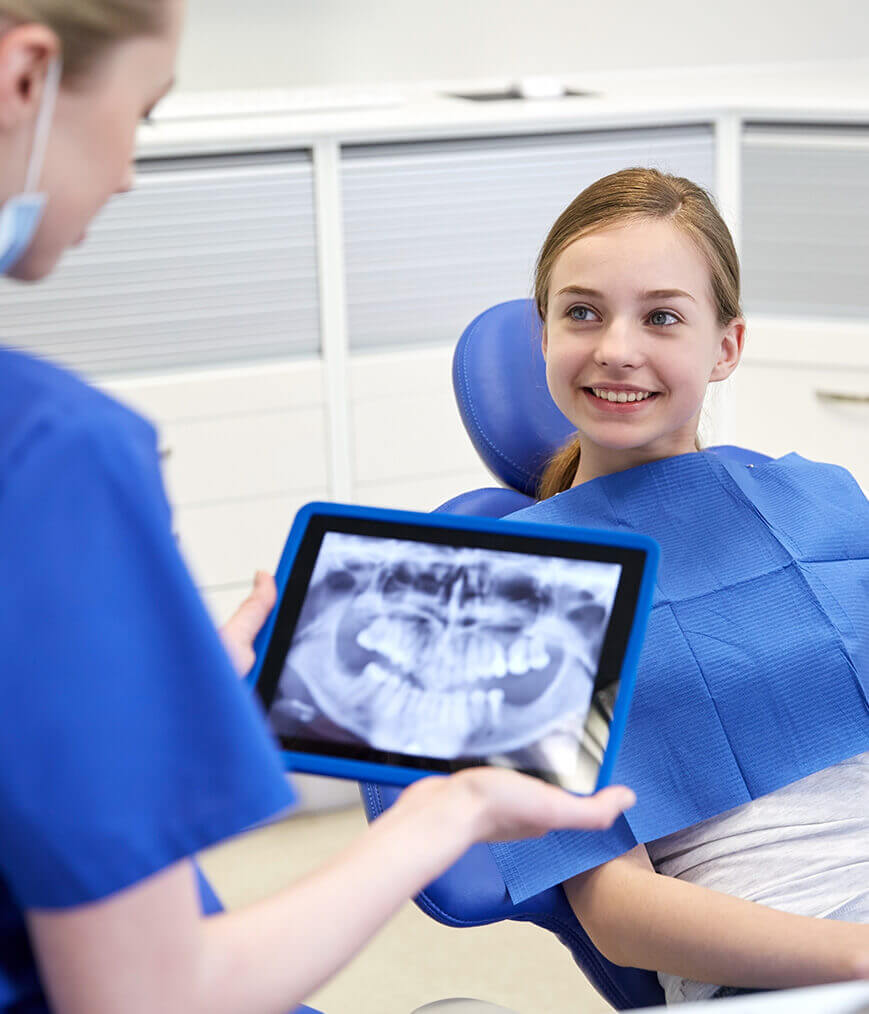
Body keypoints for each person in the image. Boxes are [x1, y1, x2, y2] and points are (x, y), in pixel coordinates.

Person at [0, 4, 637, 1013]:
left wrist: (127, 702)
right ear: (25, 79)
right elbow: (145, 997)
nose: (125, 170)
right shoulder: (50, 455)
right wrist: (448, 811)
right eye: (143, 112)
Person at [519, 167, 868, 1003]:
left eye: (662, 316)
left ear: (725, 348)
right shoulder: (519, 588)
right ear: (543, 335)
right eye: (581, 313)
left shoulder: (822, 504)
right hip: (785, 969)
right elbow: (616, 909)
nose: (614, 348)